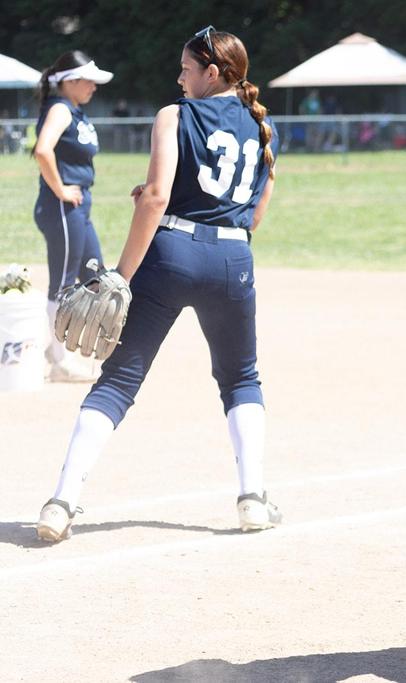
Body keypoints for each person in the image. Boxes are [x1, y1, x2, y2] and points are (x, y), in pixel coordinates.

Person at [36, 26, 282, 542]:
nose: (179, 77)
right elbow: (254, 212)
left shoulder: (175, 115)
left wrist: (121, 274)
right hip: (233, 259)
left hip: (170, 257)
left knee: (118, 381)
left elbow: (155, 198)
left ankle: (62, 502)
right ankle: (253, 499)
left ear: (212, 73)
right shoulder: (265, 128)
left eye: (187, 69)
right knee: (241, 378)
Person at [32, 51, 114, 382]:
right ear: (70, 82)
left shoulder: (75, 111)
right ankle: (59, 362)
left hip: (78, 207)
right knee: (64, 283)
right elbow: (42, 150)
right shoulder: (60, 109)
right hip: (61, 207)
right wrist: (61, 190)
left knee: (96, 279)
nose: (94, 86)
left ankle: (62, 349)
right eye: (88, 81)